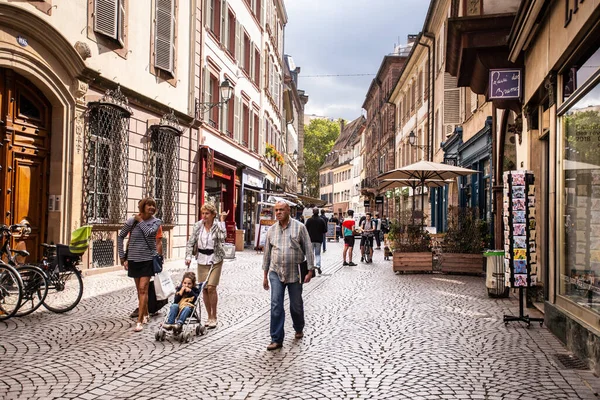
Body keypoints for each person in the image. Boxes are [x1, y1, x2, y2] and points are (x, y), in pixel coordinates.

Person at [262, 201, 315, 351]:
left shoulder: (300, 227)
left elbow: (308, 249)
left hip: (295, 272)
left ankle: (299, 327)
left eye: (281, 210)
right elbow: (267, 254)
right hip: (276, 271)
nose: (278, 212)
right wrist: (265, 275)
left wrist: (310, 270)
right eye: (276, 210)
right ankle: (276, 338)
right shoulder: (271, 230)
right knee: (276, 304)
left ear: (288, 210)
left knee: (296, 305)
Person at [118, 197, 163, 332]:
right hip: (133, 259)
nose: (151, 208)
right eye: (148, 205)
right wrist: (122, 256)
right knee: (139, 290)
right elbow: (121, 236)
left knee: (143, 288)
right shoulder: (132, 221)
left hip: (147, 259)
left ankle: (139, 321)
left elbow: (150, 233)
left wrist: (141, 221)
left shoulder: (156, 222)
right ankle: (145, 312)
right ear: (142, 207)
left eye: (153, 206)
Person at [185, 204, 228, 329]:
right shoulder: (198, 226)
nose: (204, 216)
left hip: (215, 259)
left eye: (207, 214)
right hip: (202, 259)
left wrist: (222, 222)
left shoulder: (217, 225)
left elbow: (223, 237)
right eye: (203, 213)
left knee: (211, 287)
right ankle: (209, 316)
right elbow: (191, 241)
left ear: (213, 214)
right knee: (203, 288)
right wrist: (188, 256)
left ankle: (214, 316)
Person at [305, 208, 326, 275]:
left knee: (310, 254)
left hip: (310, 240)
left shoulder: (309, 220)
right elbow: (325, 230)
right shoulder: (321, 220)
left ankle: (310, 267)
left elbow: (305, 229)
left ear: (312, 212)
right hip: (319, 240)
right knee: (317, 254)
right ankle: (318, 266)